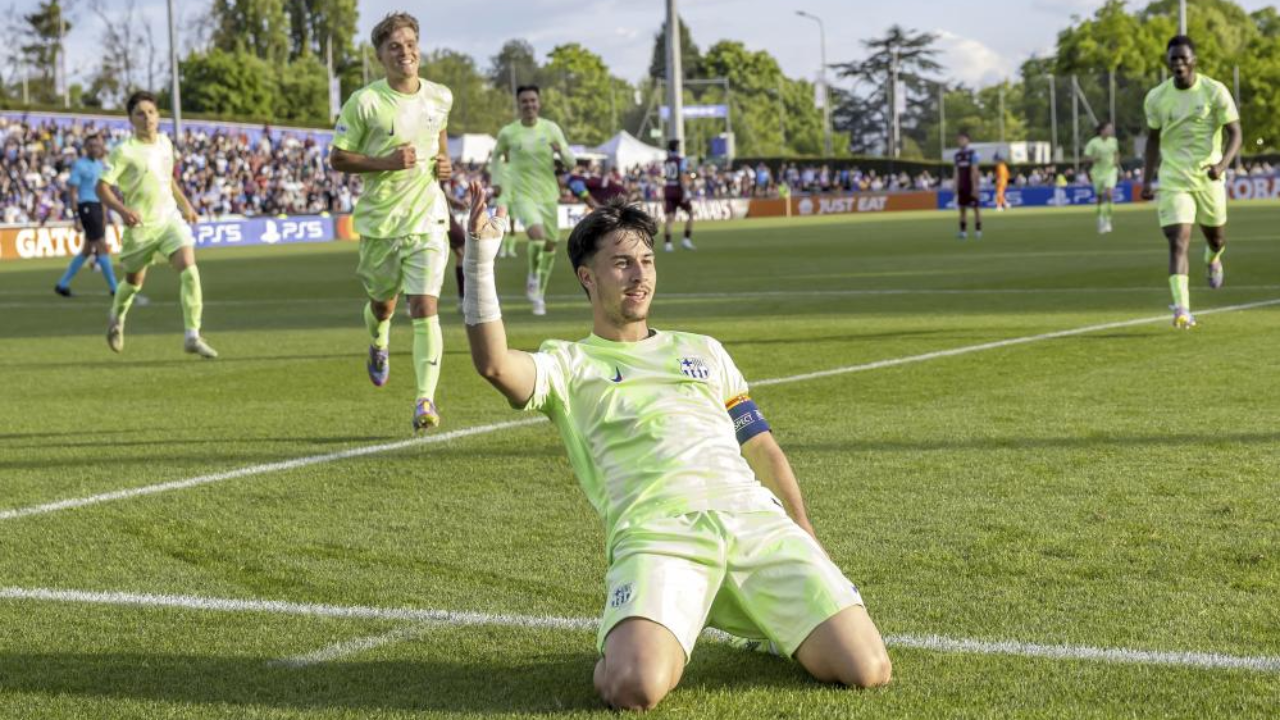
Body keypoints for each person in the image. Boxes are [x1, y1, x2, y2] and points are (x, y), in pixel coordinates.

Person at [459, 185, 892, 711]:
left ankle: (758, 619)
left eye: (646, 260)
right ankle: (646, 628)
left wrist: (805, 534)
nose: (639, 276)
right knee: (633, 688)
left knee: (867, 669)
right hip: (659, 535)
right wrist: (479, 260)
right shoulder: (568, 365)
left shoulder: (703, 349)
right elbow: (495, 365)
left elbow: (761, 447)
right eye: (621, 264)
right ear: (587, 277)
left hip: (753, 521)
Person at [330, 12, 454, 431]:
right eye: (395, 46)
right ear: (381, 56)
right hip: (382, 222)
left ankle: (425, 400)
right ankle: (378, 340)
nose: (405, 52)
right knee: (384, 305)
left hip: (428, 216)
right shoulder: (365, 101)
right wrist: (385, 161)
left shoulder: (440, 96)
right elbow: (337, 157)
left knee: (425, 307)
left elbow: (438, 138)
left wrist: (444, 162)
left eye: (410, 43)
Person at [98, 91, 217, 359]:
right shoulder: (124, 151)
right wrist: (122, 209)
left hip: (168, 220)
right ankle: (117, 317)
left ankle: (192, 335)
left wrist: (186, 205)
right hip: (140, 228)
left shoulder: (165, 143)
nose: (147, 117)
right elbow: (101, 187)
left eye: (151, 112)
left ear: (158, 115)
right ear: (131, 119)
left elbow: (168, 179)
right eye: (140, 113)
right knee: (133, 282)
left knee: (189, 269)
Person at [1140, 35, 1241, 329]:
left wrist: (1221, 165)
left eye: (1184, 58)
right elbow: (1153, 139)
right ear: (1168, 62)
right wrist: (1146, 180)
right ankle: (1182, 309)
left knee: (1217, 238)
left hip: (1209, 178)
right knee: (1178, 240)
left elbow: (1235, 132)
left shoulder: (1214, 91)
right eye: (1174, 59)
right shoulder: (1156, 98)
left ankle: (1213, 259)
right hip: (1173, 178)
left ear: (1194, 60)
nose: (1179, 64)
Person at [489, 85, 575, 316]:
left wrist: (561, 152)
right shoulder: (509, 132)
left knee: (550, 245)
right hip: (522, 195)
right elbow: (495, 157)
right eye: (524, 101)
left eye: (533, 100)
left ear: (539, 103)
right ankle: (533, 276)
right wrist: (497, 180)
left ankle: (539, 296)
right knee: (537, 238)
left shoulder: (551, 129)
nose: (529, 105)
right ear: (519, 105)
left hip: (549, 195)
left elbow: (571, 163)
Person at [55, 134, 118, 297]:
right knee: (102, 246)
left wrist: (104, 213)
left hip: (97, 207)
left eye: (96, 146)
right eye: (91, 145)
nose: (94, 148)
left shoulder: (99, 165)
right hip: (86, 207)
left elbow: (103, 191)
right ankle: (115, 288)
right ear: (85, 147)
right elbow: (72, 191)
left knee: (87, 250)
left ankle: (62, 284)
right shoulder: (79, 165)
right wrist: (76, 217)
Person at [1084, 121, 1120, 234]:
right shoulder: (1093, 143)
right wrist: (1094, 159)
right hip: (1098, 173)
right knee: (1099, 198)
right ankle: (1100, 218)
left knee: (1109, 194)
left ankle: (1108, 220)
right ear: (1102, 130)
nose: (1111, 130)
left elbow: (1117, 153)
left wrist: (1116, 161)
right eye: (1109, 128)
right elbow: (1086, 156)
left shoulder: (1114, 141)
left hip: (1110, 171)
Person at [661, 140, 696, 252]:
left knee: (670, 218)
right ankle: (686, 239)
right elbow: (681, 176)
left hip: (668, 188)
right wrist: (685, 190)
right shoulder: (681, 160)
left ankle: (668, 244)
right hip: (678, 189)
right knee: (690, 213)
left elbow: (666, 176)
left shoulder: (666, 161)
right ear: (676, 147)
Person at [953, 132, 981, 239]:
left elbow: (975, 170)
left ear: (968, 140)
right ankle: (963, 232)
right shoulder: (957, 156)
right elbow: (956, 171)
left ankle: (978, 231)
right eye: (959, 139)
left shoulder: (973, 154)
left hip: (971, 186)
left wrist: (975, 186)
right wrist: (955, 185)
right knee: (962, 209)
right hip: (962, 186)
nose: (960, 141)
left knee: (976, 209)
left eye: (963, 139)